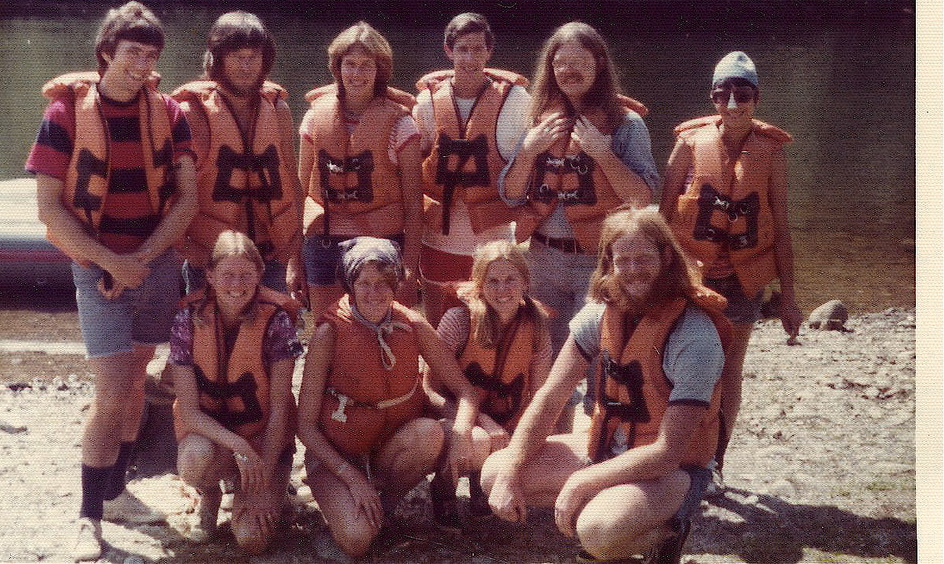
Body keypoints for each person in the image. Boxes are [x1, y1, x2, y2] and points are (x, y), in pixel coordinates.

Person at [26, 1, 198, 561]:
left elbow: (187, 200)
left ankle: (118, 488)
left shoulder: (170, 114)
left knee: (135, 381)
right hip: (96, 265)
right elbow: (50, 212)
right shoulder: (66, 117)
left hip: (152, 264)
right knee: (110, 393)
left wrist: (141, 260)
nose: (142, 65)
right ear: (105, 54)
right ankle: (88, 516)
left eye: (151, 57)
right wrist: (108, 263)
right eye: (132, 54)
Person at [480, 209, 730, 563]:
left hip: (676, 470)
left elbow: (668, 452)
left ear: (667, 258)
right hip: (609, 446)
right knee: (496, 473)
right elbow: (551, 396)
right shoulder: (600, 314)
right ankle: (617, 515)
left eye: (643, 259)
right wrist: (510, 471)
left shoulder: (694, 336)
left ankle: (667, 533)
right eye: (622, 260)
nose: (632, 270)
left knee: (596, 532)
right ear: (608, 264)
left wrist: (583, 482)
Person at [500, 21, 659, 430]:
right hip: (543, 261)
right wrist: (529, 150)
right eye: (560, 62)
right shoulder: (539, 120)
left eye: (579, 62)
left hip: (598, 265)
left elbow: (643, 197)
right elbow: (511, 194)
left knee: (601, 362)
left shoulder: (626, 124)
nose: (568, 71)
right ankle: (555, 451)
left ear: (599, 63)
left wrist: (603, 155)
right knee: (548, 367)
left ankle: (598, 451)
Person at [658, 50, 803, 488]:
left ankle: (715, 462)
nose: (734, 104)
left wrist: (791, 299)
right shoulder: (688, 143)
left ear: (756, 98)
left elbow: (780, 225)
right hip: (691, 275)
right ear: (713, 98)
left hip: (743, 280)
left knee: (729, 369)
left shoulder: (772, 152)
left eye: (744, 95)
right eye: (725, 95)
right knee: (675, 362)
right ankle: (671, 452)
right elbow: (661, 218)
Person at [297, 237, 481, 558]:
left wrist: (461, 434)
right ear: (350, 284)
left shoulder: (412, 323)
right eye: (365, 283)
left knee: (432, 434)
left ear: (396, 284)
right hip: (339, 455)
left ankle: (385, 505)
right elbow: (306, 427)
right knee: (357, 541)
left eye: (384, 283)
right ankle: (357, 505)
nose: (374, 292)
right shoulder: (329, 333)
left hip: (390, 447)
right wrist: (350, 476)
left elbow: (464, 391)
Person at [170, 230, 302, 553]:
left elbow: (280, 408)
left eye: (245, 275)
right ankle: (211, 495)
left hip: (264, 442)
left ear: (259, 275)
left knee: (251, 541)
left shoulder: (278, 320)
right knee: (192, 460)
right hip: (222, 442)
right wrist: (237, 444)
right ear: (210, 277)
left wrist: (263, 471)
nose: (236, 284)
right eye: (227, 275)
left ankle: (273, 487)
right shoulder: (187, 318)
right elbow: (188, 411)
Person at [171, 11, 304, 300]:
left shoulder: (277, 109)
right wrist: (189, 252)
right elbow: (173, 193)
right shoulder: (191, 113)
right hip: (212, 260)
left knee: (272, 341)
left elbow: (291, 179)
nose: (246, 66)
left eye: (253, 58)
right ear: (217, 60)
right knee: (210, 342)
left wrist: (296, 249)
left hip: (270, 256)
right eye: (237, 57)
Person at [412, 12, 533, 327]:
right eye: (463, 49)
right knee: (438, 328)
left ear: (489, 52)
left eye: (478, 49)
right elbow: (414, 170)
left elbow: (529, 167)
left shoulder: (516, 100)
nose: (470, 57)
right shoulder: (426, 102)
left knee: (489, 326)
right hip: (439, 236)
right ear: (448, 50)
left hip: (492, 238)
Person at [423, 240, 551, 531]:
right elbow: (428, 391)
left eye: (510, 280)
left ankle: (484, 481)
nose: (502, 289)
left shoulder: (537, 325)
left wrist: (524, 437)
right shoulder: (458, 321)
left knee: (533, 449)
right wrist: (481, 420)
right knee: (478, 439)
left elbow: (541, 396)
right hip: (456, 418)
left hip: (507, 424)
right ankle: (444, 487)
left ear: (525, 283)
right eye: (492, 281)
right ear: (479, 284)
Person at [298, 21, 423, 319]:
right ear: (336, 67)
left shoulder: (401, 124)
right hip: (324, 242)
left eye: (366, 65)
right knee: (326, 329)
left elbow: (414, 207)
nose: (356, 74)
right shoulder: (315, 119)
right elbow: (298, 193)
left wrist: (409, 265)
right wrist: (294, 262)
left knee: (378, 330)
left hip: (381, 243)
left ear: (381, 70)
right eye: (349, 64)